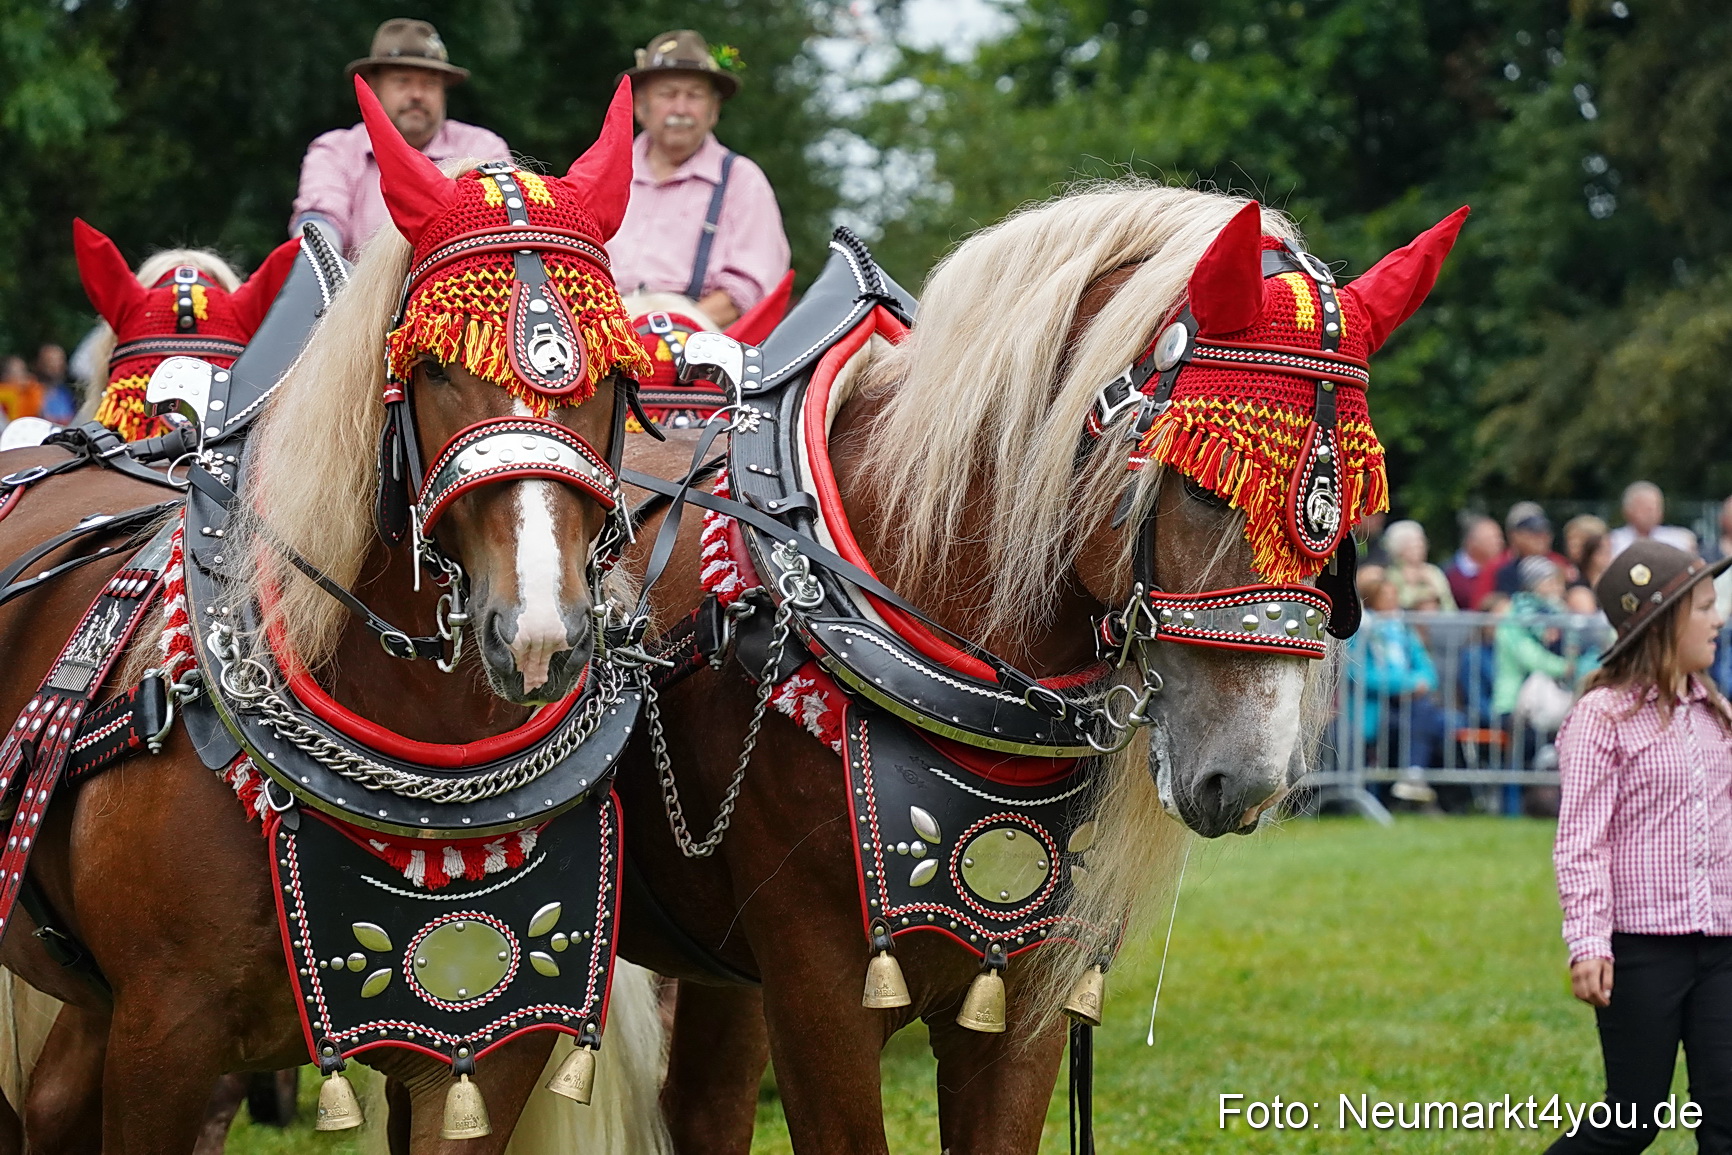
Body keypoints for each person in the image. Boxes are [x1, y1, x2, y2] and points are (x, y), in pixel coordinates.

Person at [1546, 541, 1732, 1153]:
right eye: (1705, 607)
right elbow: (1582, 841)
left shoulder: (1717, 716)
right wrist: (1589, 943)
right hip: (1643, 950)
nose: (1719, 618)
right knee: (1632, 1121)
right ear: (1665, 620)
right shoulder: (1603, 717)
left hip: (1723, 944)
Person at [607, 30, 790, 328]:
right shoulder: (607, 172)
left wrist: (664, 330)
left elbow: (749, 288)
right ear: (641, 107)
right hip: (601, 340)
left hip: (697, 346)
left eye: (694, 95)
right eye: (668, 94)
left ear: (713, 110)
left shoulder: (742, 180)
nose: (680, 109)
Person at [290, 19, 509, 259]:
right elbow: (321, 220)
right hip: (357, 293)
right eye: (402, 81)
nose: (417, 95)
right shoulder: (335, 151)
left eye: (430, 83)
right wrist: (318, 257)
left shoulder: (482, 149)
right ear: (374, 87)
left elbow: (501, 224)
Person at [1607, 480, 1698, 559]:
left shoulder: (1679, 540)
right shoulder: (1612, 542)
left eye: (1656, 508)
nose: (1652, 514)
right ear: (1627, 510)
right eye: (1646, 509)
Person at [1382, 519, 1456, 611]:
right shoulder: (1391, 575)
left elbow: (1449, 606)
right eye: (1413, 547)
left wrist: (1432, 585)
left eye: (1421, 545)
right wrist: (1412, 584)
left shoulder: (1434, 572)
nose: (1419, 550)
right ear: (1398, 550)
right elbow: (1397, 604)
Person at [1495, 506, 1570, 595]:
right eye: (1534, 532)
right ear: (1515, 536)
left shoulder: (1561, 565)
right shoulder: (1504, 571)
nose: (1543, 537)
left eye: (1546, 531)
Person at [1446, 514, 1504, 611]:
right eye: (1492, 538)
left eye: (1499, 538)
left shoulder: (1503, 569)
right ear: (1472, 542)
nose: (1499, 542)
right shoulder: (1449, 574)